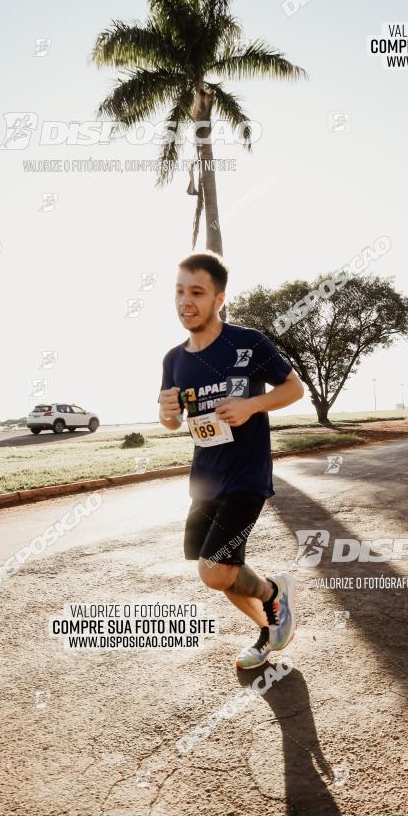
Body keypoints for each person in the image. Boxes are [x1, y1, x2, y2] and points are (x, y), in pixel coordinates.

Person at [158, 252, 304, 668]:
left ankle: (275, 593)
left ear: (219, 299)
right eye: (180, 291)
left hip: (245, 476)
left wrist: (251, 406)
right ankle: (271, 629)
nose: (186, 301)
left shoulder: (249, 342)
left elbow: (294, 390)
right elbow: (172, 421)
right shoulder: (174, 359)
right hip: (204, 479)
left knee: (214, 570)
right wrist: (167, 413)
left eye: (197, 293)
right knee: (217, 568)